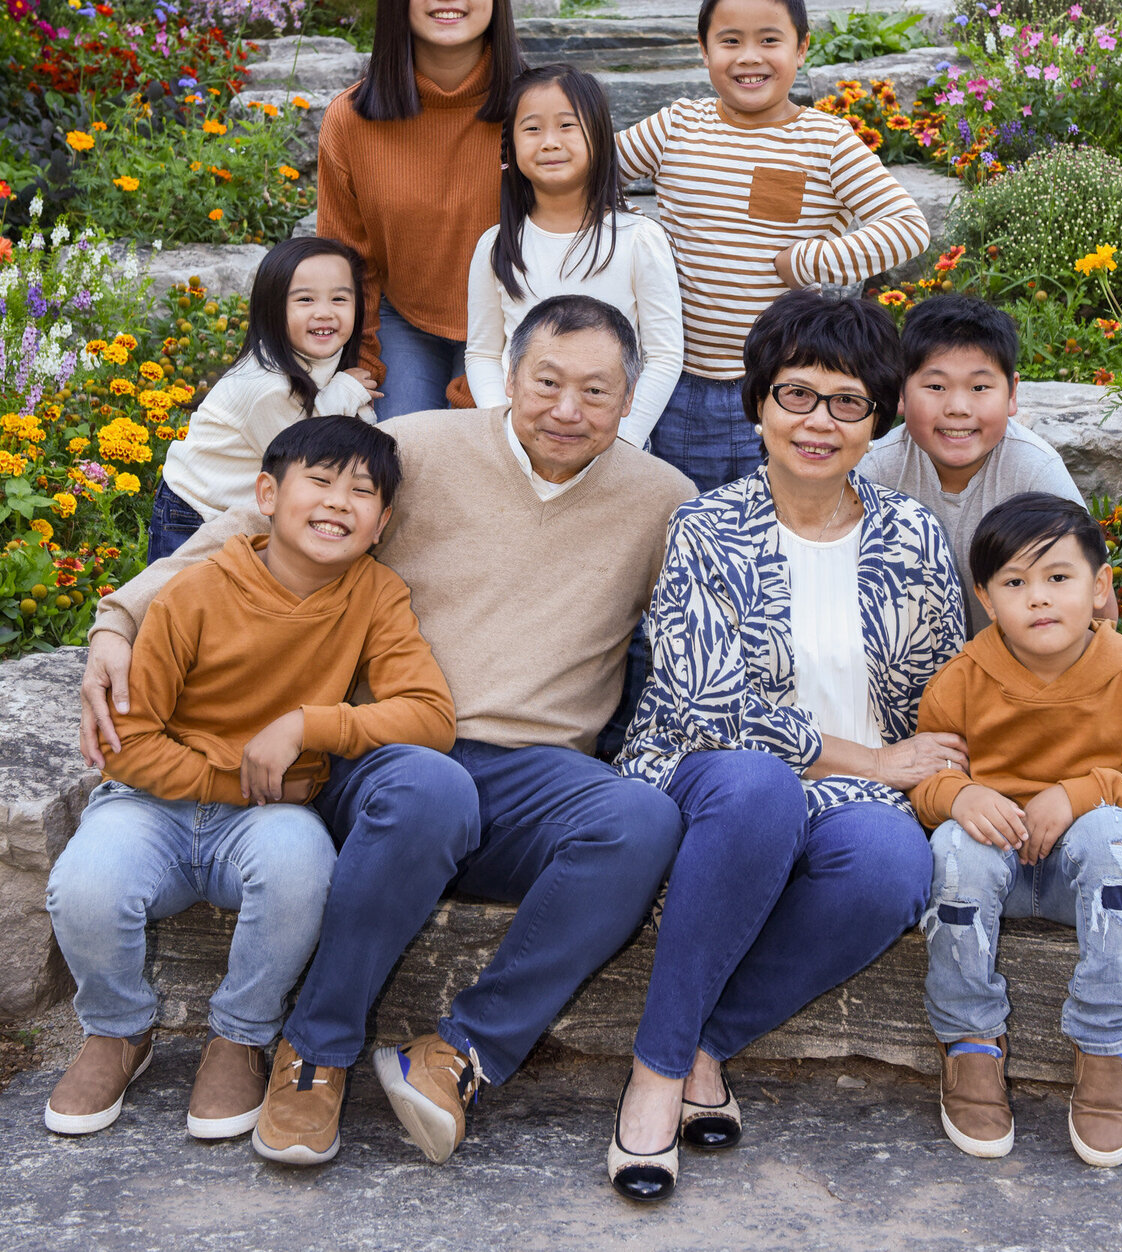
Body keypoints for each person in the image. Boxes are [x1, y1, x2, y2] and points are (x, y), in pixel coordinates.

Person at [80, 295, 695, 1167]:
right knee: (429, 786)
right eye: (547, 381)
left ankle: (458, 1054)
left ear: (629, 401)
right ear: (506, 377)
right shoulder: (424, 446)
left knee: (642, 819)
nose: (568, 408)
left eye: (596, 392)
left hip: (538, 774)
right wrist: (118, 617)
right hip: (390, 752)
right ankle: (316, 1052)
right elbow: (260, 521)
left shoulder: (662, 498)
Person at [608, 289, 965, 1202]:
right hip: (708, 770)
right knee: (762, 788)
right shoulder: (706, 527)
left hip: (858, 797)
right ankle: (654, 1076)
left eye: (847, 401)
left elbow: (938, 690)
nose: (818, 421)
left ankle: (704, 1044)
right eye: (796, 394)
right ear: (758, 400)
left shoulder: (911, 535)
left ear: (876, 419)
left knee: (892, 866)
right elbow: (702, 701)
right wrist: (875, 760)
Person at [47, 416, 456, 1151]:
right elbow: (130, 745)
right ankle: (117, 1030)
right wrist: (239, 778)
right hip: (156, 803)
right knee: (87, 882)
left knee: (302, 872)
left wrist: (310, 725)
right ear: (268, 493)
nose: (339, 502)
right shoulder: (194, 591)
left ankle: (239, 1036)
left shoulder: (375, 595)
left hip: (271, 820)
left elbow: (429, 716)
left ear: (383, 521)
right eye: (320, 481)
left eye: (362, 492)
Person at [913, 492, 1122, 1168]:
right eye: (1015, 582)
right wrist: (960, 795)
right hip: (993, 879)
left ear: (1100, 588)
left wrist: (1085, 791)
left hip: (1090, 885)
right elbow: (924, 780)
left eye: (1059, 578)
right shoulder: (961, 680)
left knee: (1115, 836)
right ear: (986, 598)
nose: (1038, 598)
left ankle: (1106, 1046)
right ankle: (970, 1041)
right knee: (953, 847)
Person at [616, 0, 929, 491]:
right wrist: (634, 234)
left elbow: (907, 227)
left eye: (769, 40)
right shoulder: (676, 127)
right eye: (730, 40)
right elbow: (589, 173)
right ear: (703, 48)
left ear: (801, 48)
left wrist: (807, 261)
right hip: (672, 381)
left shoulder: (825, 141)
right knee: (677, 516)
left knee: (775, 524)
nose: (749, 58)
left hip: (781, 384)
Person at [316, 0, 524, 419]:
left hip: (521, 319)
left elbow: (579, 248)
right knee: (401, 459)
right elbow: (347, 260)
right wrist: (355, 364)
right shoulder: (352, 118)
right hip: (405, 320)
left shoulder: (540, 109)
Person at [858, 294, 1117, 636]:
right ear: (901, 393)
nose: (958, 407)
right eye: (936, 386)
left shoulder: (1034, 470)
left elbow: (1100, 610)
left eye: (980, 386)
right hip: (908, 668)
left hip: (1018, 663)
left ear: (1012, 393)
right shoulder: (876, 470)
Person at [465, 63, 683, 450]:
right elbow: (483, 351)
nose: (549, 142)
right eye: (532, 129)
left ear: (599, 138)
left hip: (612, 442)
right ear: (510, 148)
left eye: (567, 126)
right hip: (520, 443)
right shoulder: (496, 246)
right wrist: (504, 431)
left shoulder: (639, 240)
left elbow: (664, 355)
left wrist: (626, 441)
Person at [148, 238, 377, 562]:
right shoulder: (267, 386)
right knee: (177, 603)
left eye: (339, 298)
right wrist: (345, 392)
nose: (324, 312)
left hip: (242, 510)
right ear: (272, 309)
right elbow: (304, 455)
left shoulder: (312, 352)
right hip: (195, 514)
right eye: (305, 299)